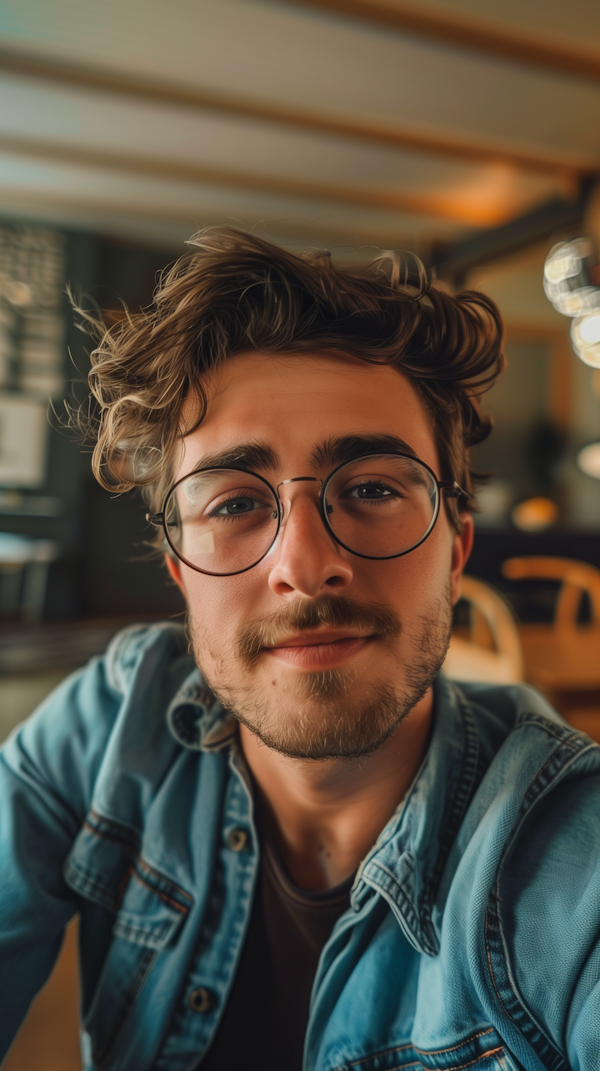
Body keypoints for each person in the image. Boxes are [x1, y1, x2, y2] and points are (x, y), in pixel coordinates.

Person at [1, 229, 598, 1071]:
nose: (306, 565)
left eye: (372, 489)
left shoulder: (572, 859)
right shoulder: (112, 725)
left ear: (456, 548)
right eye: (236, 502)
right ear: (180, 568)